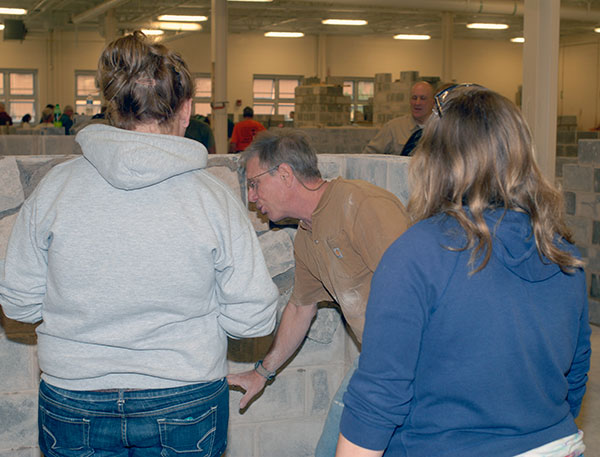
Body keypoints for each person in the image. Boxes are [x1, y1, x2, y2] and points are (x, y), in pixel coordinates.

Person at [0, 31, 279, 457]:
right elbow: (253, 321)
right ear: (186, 109)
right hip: (184, 395)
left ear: (113, 108)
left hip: (74, 395)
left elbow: (19, 305)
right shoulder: (212, 198)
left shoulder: (56, 188)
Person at [336, 85, 592, 457]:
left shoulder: (416, 254)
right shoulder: (563, 253)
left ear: (433, 161)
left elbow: (378, 398)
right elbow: (575, 375)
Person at [227, 128, 410, 457]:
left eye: (255, 183)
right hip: (377, 362)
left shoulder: (363, 205)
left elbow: (414, 296)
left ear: (285, 174)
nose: (252, 197)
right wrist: (261, 373)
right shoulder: (306, 235)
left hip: (412, 364)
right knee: (328, 449)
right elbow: (300, 309)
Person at [362, 81, 434, 156]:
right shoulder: (392, 128)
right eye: (414, 98)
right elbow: (367, 155)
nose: (417, 103)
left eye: (423, 98)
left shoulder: (439, 130)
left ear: (433, 102)